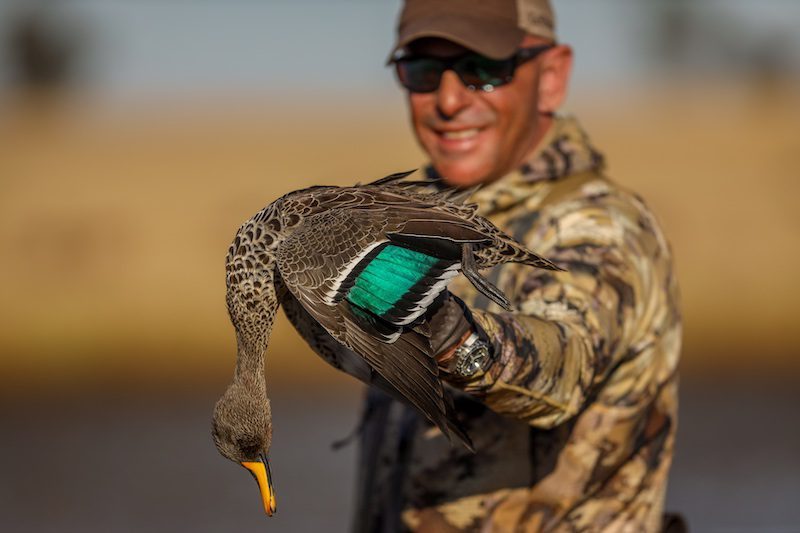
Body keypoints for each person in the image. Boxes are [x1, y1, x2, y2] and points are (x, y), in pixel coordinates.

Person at [346, 1, 683, 531]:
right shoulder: (420, 226)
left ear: (551, 77)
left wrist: (448, 331)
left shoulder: (600, 229)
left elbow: (565, 362)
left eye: (483, 69)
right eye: (424, 71)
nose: (449, 101)